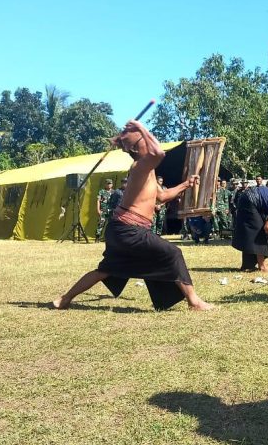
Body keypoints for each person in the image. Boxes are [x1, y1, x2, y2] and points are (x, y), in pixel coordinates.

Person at [54, 120, 212, 311]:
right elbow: (159, 153)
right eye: (146, 139)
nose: (151, 142)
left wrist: (186, 184)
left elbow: (161, 197)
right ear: (138, 148)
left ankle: (64, 299)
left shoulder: (147, 170)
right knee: (173, 253)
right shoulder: (140, 166)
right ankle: (194, 302)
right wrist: (140, 127)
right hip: (129, 230)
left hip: (123, 230)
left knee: (105, 271)